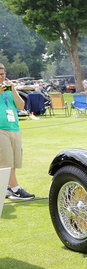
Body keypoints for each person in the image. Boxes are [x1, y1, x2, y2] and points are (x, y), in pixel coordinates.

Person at [0, 63, 34, 200]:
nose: (1, 77)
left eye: (3, 74)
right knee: (5, 161)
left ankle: (7, 188)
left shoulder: (9, 89)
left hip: (14, 127)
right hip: (1, 129)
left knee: (13, 161)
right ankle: (16, 189)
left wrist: (13, 90)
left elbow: (21, 106)